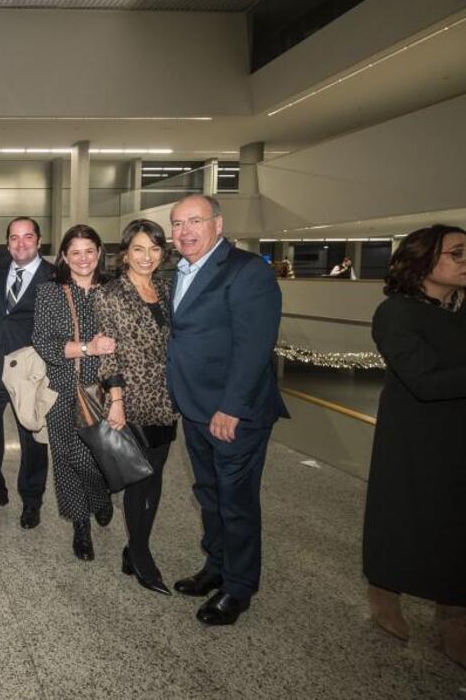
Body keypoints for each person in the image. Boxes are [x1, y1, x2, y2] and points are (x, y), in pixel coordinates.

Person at [166, 194, 287, 626]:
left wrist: (231, 408)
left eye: (194, 221)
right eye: (177, 224)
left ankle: (238, 588)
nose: (184, 232)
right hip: (196, 408)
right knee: (209, 495)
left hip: (233, 413)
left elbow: (255, 347)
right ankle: (215, 567)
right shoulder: (179, 271)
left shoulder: (247, 271)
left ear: (218, 223)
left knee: (235, 501)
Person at [363, 224, 466, 669]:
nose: (465, 263)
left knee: (458, 525)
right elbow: (423, 381)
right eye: (457, 254)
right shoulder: (397, 314)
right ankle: (385, 590)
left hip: (458, 434)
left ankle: (454, 614)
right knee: (404, 515)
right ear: (423, 261)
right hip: (415, 437)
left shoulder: (460, 310)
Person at [94, 220, 177, 595]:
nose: (147, 257)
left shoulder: (166, 288)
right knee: (139, 477)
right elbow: (107, 355)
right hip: (129, 397)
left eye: (155, 249)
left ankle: (134, 548)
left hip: (165, 397)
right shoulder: (110, 294)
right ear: (126, 252)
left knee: (156, 474)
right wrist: (116, 401)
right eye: (140, 249)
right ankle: (140, 554)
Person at [31, 225, 116, 561]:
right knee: (68, 459)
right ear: (64, 256)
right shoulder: (50, 292)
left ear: (99, 253)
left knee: (98, 458)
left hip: (106, 390)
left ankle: (101, 494)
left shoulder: (114, 291)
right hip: (63, 388)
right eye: (75, 252)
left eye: (89, 251)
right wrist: (87, 347)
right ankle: (81, 525)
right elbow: (43, 343)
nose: (83, 259)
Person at [0, 217, 57, 528]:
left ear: (39, 240)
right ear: (7, 242)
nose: (21, 244)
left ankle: (32, 501)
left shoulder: (54, 277)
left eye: (28, 237)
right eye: (15, 238)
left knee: (33, 438)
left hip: (31, 374)